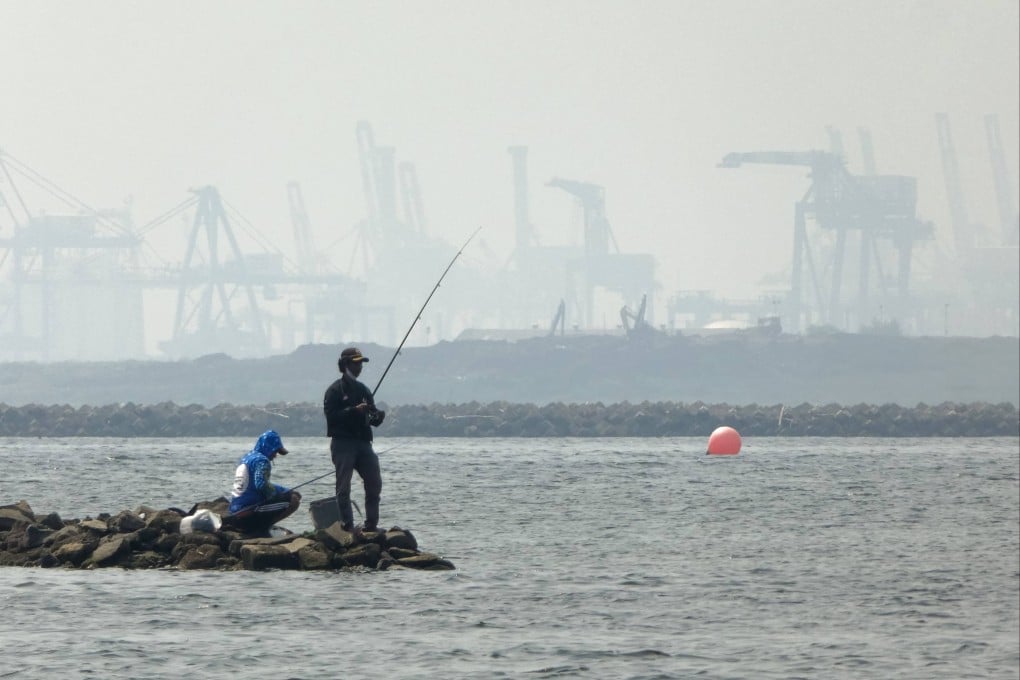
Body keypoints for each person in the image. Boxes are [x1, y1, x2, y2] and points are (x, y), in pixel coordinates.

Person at [323, 346, 386, 534]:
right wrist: (353, 411)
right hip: (343, 444)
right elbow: (331, 417)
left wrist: (378, 416)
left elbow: (373, 419)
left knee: (374, 482)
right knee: (343, 487)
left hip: (364, 444)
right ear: (346, 364)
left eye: (361, 363)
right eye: (356, 363)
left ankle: (371, 525)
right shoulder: (334, 390)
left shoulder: (364, 390)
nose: (360, 367)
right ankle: (348, 526)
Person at [227, 429, 301, 536]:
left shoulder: (247, 458)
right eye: (275, 451)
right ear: (269, 447)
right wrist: (281, 494)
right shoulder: (262, 461)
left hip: (235, 511)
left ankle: (257, 526)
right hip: (247, 513)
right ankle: (262, 529)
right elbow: (261, 485)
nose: (275, 455)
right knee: (294, 500)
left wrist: (284, 491)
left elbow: (256, 484)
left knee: (288, 494)